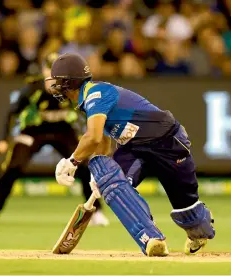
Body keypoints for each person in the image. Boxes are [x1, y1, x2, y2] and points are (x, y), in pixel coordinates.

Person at [46, 53, 215, 256]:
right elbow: (104, 140)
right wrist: (99, 173)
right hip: (136, 148)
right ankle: (151, 238)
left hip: (167, 142)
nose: (54, 86)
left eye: (57, 81)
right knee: (111, 182)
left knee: (190, 215)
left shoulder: (96, 95)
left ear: (68, 82)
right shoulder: (89, 99)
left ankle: (198, 230)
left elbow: (93, 137)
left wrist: (72, 161)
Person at [0, 53, 110, 227]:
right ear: (43, 71)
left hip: (63, 130)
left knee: (84, 166)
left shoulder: (73, 89)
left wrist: (95, 137)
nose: (53, 79)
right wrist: (4, 139)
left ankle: (96, 211)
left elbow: (90, 112)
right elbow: (12, 112)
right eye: (50, 72)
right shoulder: (33, 89)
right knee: (13, 167)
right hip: (34, 131)